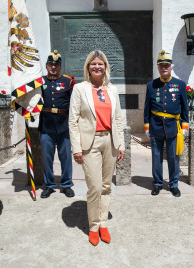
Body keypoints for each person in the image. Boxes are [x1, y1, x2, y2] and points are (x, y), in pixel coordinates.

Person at [69, 50, 125, 246]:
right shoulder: (79, 89)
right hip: (89, 144)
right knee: (94, 186)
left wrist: (121, 144)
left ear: (105, 67)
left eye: (100, 64)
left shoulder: (112, 89)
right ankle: (93, 226)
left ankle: (103, 223)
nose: (97, 67)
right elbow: (73, 120)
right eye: (93, 64)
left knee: (107, 186)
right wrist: (76, 147)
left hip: (109, 141)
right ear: (87, 67)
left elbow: (118, 118)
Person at [144, 50, 189, 197]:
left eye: (167, 65)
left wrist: (185, 126)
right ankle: (157, 184)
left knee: (173, 157)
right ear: (158, 67)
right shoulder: (151, 85)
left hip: (173, 127)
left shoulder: (180, 84)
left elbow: (184, 107)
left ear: (171, 67)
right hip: (156, 125)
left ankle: (173, 184)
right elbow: (147, 108)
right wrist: (146, 126)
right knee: (156, 157)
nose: (164, 67)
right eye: (161, 65)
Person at [39, 50, 75, 198]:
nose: (53, 67)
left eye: (56, 65)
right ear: (46, 66)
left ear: (60, 67)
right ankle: (49, 185)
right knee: (47, 157)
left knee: (65, 156)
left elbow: (74, 103)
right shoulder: (40, 81)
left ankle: (66, 184)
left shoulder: (68, 81)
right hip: (46, 125)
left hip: (63, 125)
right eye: (50, 65)